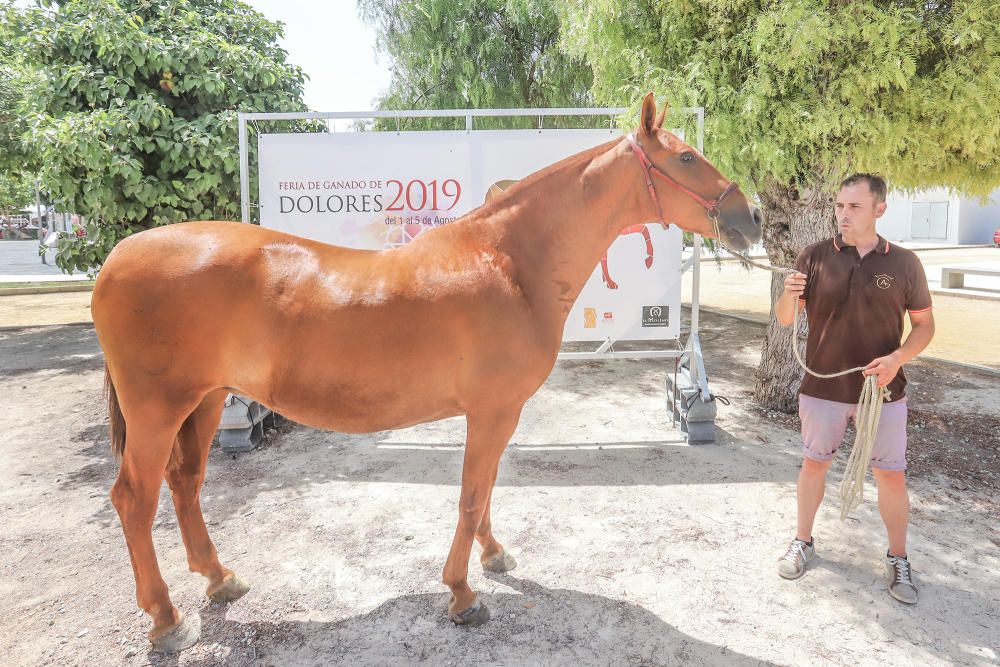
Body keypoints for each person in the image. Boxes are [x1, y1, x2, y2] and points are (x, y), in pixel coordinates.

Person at [774, 173, 935, 604]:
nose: (843, 214)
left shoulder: (904, 263)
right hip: (822, 389)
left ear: (879, 209)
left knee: (890, 476)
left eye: (854, 207)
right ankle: (803, 542)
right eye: (839, 205)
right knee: (813, 466)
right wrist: (788, 295)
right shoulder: (813, 256)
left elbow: (924, 326)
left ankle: (898, 557)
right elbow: (787, 319)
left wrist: (898, 359)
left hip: (883, 392)